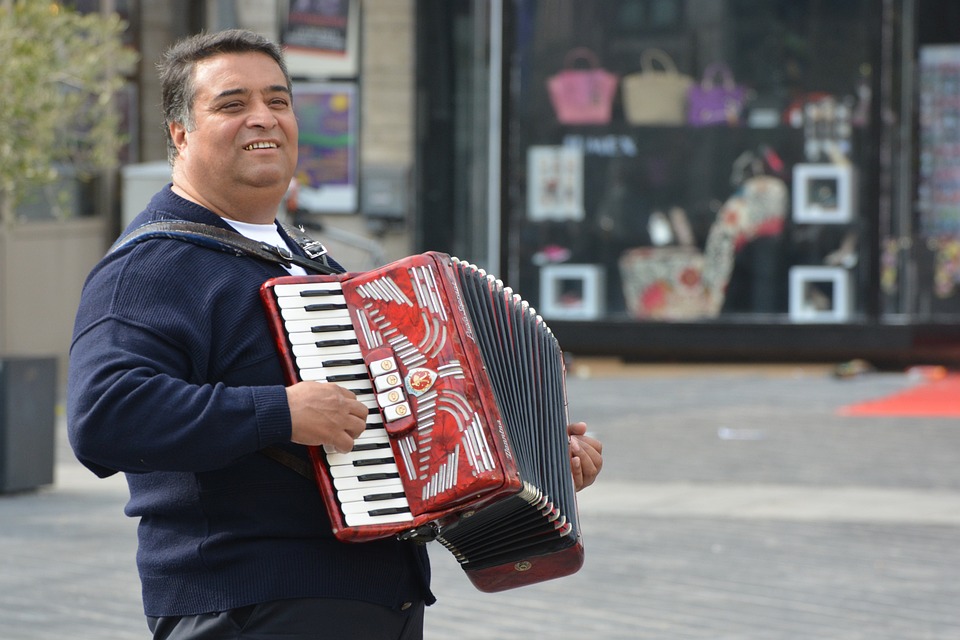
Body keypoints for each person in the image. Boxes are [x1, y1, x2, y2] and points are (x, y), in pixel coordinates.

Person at [67, 29, 603, 640]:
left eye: (278, 99)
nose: (262, 118)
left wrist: (525, 455)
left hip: (373, 599)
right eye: (232, 103)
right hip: (249, 605)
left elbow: (406, 428)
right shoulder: (151, 266)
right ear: (180, 133)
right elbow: (103, 417)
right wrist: (279, 413)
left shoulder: (311, 266)